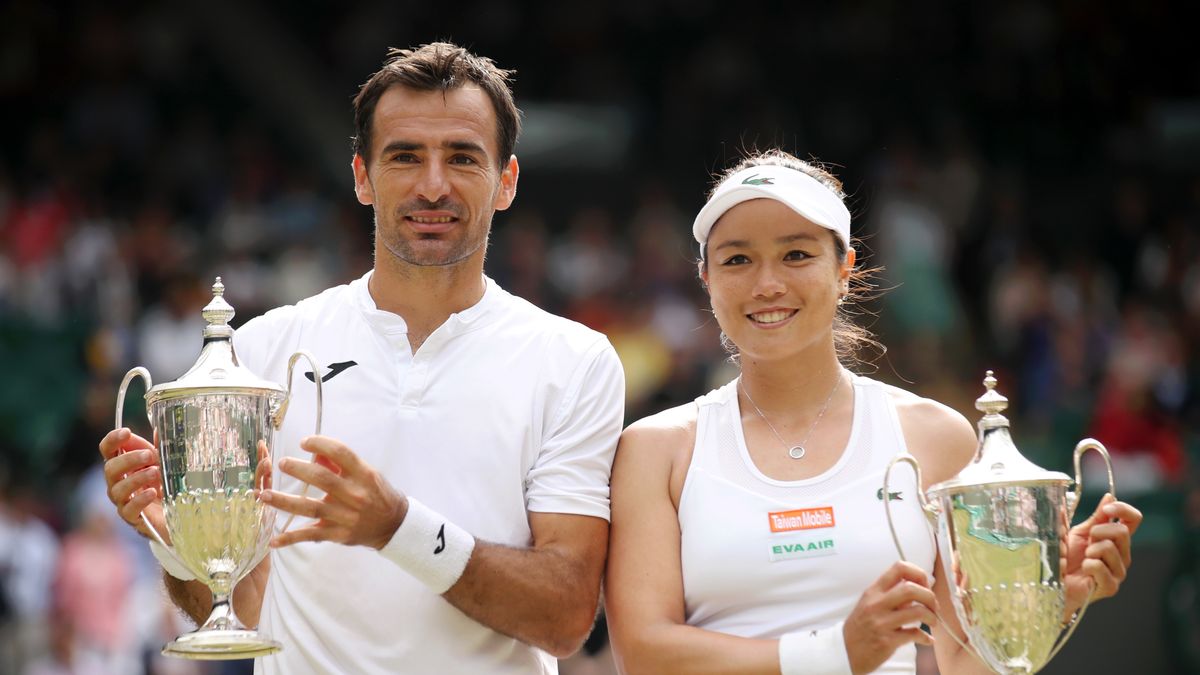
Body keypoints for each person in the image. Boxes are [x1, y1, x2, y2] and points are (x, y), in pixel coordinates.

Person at [98, 42, 625, 674]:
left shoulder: (575, 361)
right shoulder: (262, 350)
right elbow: (246, 606)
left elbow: (565, 617)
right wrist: (177, 540)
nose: (433, 185)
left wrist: (398, 528)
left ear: (505, 181)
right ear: (362, 177)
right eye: (405, 157)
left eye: (462, 157)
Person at [604, 149, 1143, 674]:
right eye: (737, 259)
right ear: (707, 278)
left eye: (796, 254)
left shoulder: (936, 437)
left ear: (844, 268)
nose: (767, 284)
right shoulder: (656, 450)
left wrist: (1046, 606)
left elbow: (966, 662)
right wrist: (838, 654)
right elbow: (644, 654)